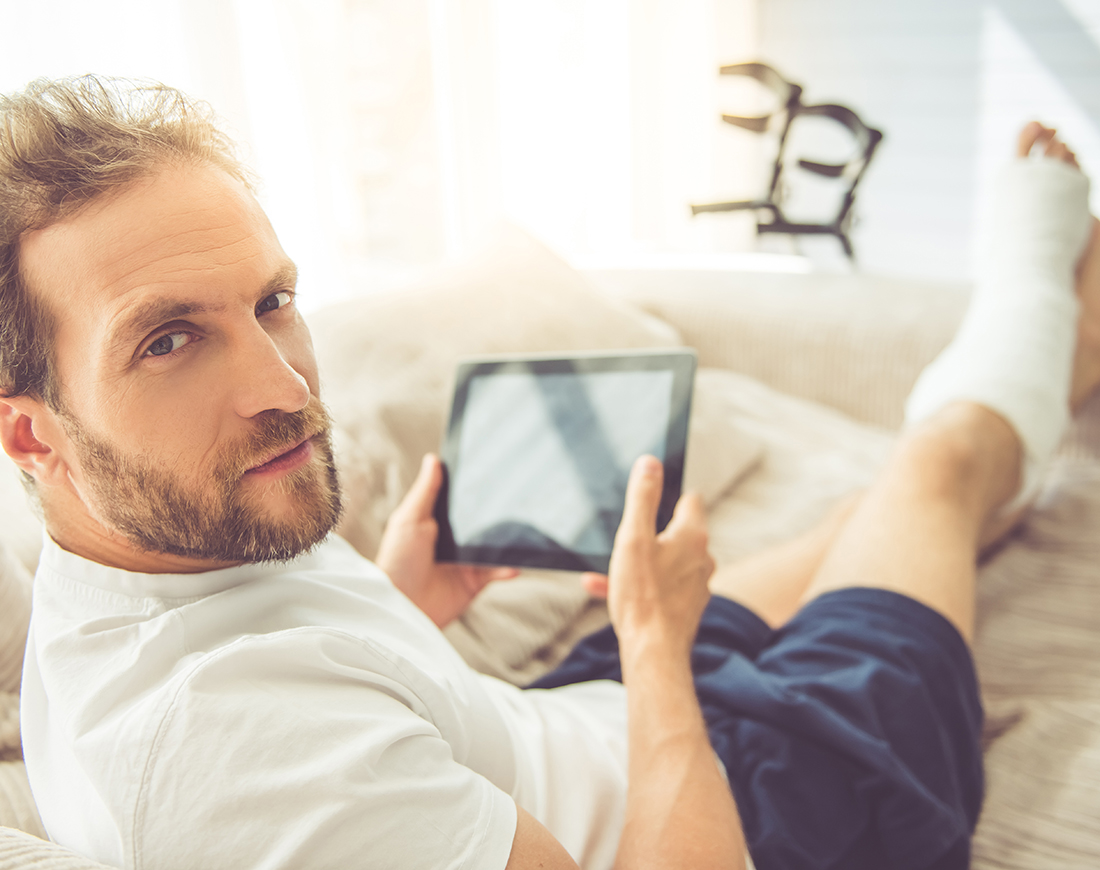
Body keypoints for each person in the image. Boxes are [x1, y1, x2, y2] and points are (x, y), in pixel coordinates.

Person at [0, 75, 1096, 870]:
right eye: (167, 341)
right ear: (33, 435)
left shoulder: (137, 559)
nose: (284, 385)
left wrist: (399, 609)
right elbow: (273, 744)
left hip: (573, 726)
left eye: (271, 300)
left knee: (869, 508)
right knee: (937, 471)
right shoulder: (228, 761)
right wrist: (658, 651)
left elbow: (302, 693)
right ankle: (1039, 290)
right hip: (753, 813)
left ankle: (1042, 354)